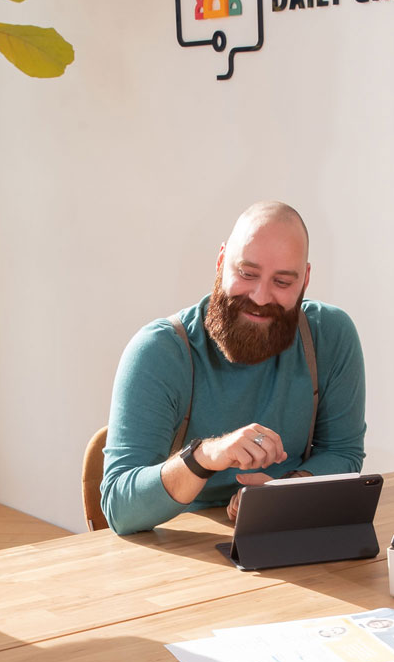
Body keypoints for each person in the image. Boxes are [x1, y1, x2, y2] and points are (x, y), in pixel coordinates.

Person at [100, 201, 366, 535]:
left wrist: (283, 493)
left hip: (286, 532)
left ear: (305, 280)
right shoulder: (161, 351)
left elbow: (343, 452)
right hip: (181, 551)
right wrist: (206, 455)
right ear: (221, 261)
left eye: (282, 282)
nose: (260, 296)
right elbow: (120, 509)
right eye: (247, 274)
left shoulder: (330, 335)